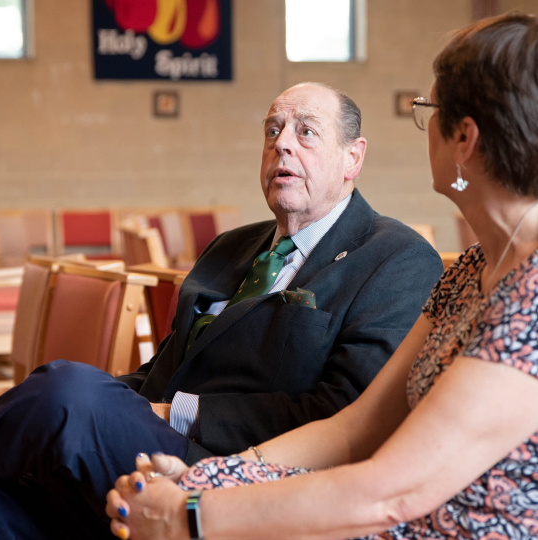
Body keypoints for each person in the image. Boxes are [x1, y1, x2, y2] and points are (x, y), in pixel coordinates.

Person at [0, 82, 443, 540]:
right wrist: (115, 403)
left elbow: (343, 412)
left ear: (353, 158)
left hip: (244, 472)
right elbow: (161, 370)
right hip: (142, 449)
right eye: (271, 128)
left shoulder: (394, 257)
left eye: (306, 131)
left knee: (67, 390)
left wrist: (169, 412)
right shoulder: (233, 246)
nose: (281, 143)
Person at [106, 11, 538, 540]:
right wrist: (207, 480)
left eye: (429, 110)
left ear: (465, 138)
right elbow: (353, 429)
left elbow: (392, 492)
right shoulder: (470, 270)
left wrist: (190, 515)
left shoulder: (532, 290)